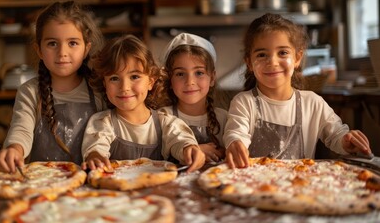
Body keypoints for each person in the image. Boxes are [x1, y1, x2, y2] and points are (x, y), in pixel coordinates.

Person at [224, 13, 372, 168]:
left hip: (299, 186)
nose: (273, 62)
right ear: (249, 62)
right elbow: (236, 133)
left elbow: (336, 134)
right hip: (253, 185)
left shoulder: (312, 103)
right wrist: (235, 143)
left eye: (282, 53)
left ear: (297, 58)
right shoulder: (244, 102)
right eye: (262, 54)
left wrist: (346, 141)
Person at [0, 1, 106, 173]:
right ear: (38, 50)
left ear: (86, 49)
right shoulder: (29, 92)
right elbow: (21, 129)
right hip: (43, 183)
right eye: (52, 43)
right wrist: (15, 149)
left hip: (90, 183)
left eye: (73, 43)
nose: (62, 52)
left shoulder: (99, 90)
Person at [81, 34, 205, 173]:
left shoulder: (166, 123)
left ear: (151, 81)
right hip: (115, 193)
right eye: (114, 78)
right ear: (104, 83)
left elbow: (181, 141)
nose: (125, 87)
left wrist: (189, 150)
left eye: (134, 77)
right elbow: (95, 148)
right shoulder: (102, 122)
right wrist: (95, 156)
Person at [160, 33, 227, 163]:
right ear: (170, 80)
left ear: (212, 78)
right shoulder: (162, 117)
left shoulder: (225, 118)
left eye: (199, 73)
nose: (190, 81)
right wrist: (196, 150)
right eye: (180, 74)